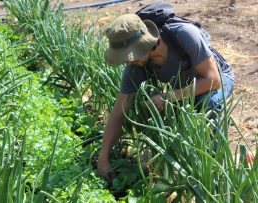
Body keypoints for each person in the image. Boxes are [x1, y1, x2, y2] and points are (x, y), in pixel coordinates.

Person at [97, 9, 234, 180]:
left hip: (218, 79)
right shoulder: (137, 66)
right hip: (184, 89)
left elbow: (213, 80)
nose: (128, 61)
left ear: (144, 43)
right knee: (163, 111)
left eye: (129, 55)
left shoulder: (184, 35)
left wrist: (168, 97)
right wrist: (103, 159)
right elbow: (119, 111)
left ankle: (218, 168)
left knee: (209, 103)